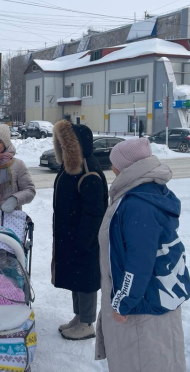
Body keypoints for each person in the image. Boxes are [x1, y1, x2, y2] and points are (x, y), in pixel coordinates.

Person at [95, 137, 190, 372]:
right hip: (152, 298)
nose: (111, 168)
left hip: (141, 307)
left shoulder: (137, 203)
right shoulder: (145, 192)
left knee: (141, 360)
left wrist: (122, 304)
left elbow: (139, 262)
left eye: (113, 163)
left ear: (127, 166)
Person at [51, 120, 108, 341]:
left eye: (65, 144)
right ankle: (79, 316)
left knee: (85, 279)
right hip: (71, 235)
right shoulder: (71, 168)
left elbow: (95, 213)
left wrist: (84, 241)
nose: (62, 148)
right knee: (76, 278)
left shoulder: (88, 171)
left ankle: (87, 323)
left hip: (84, 238)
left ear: (76, 145)